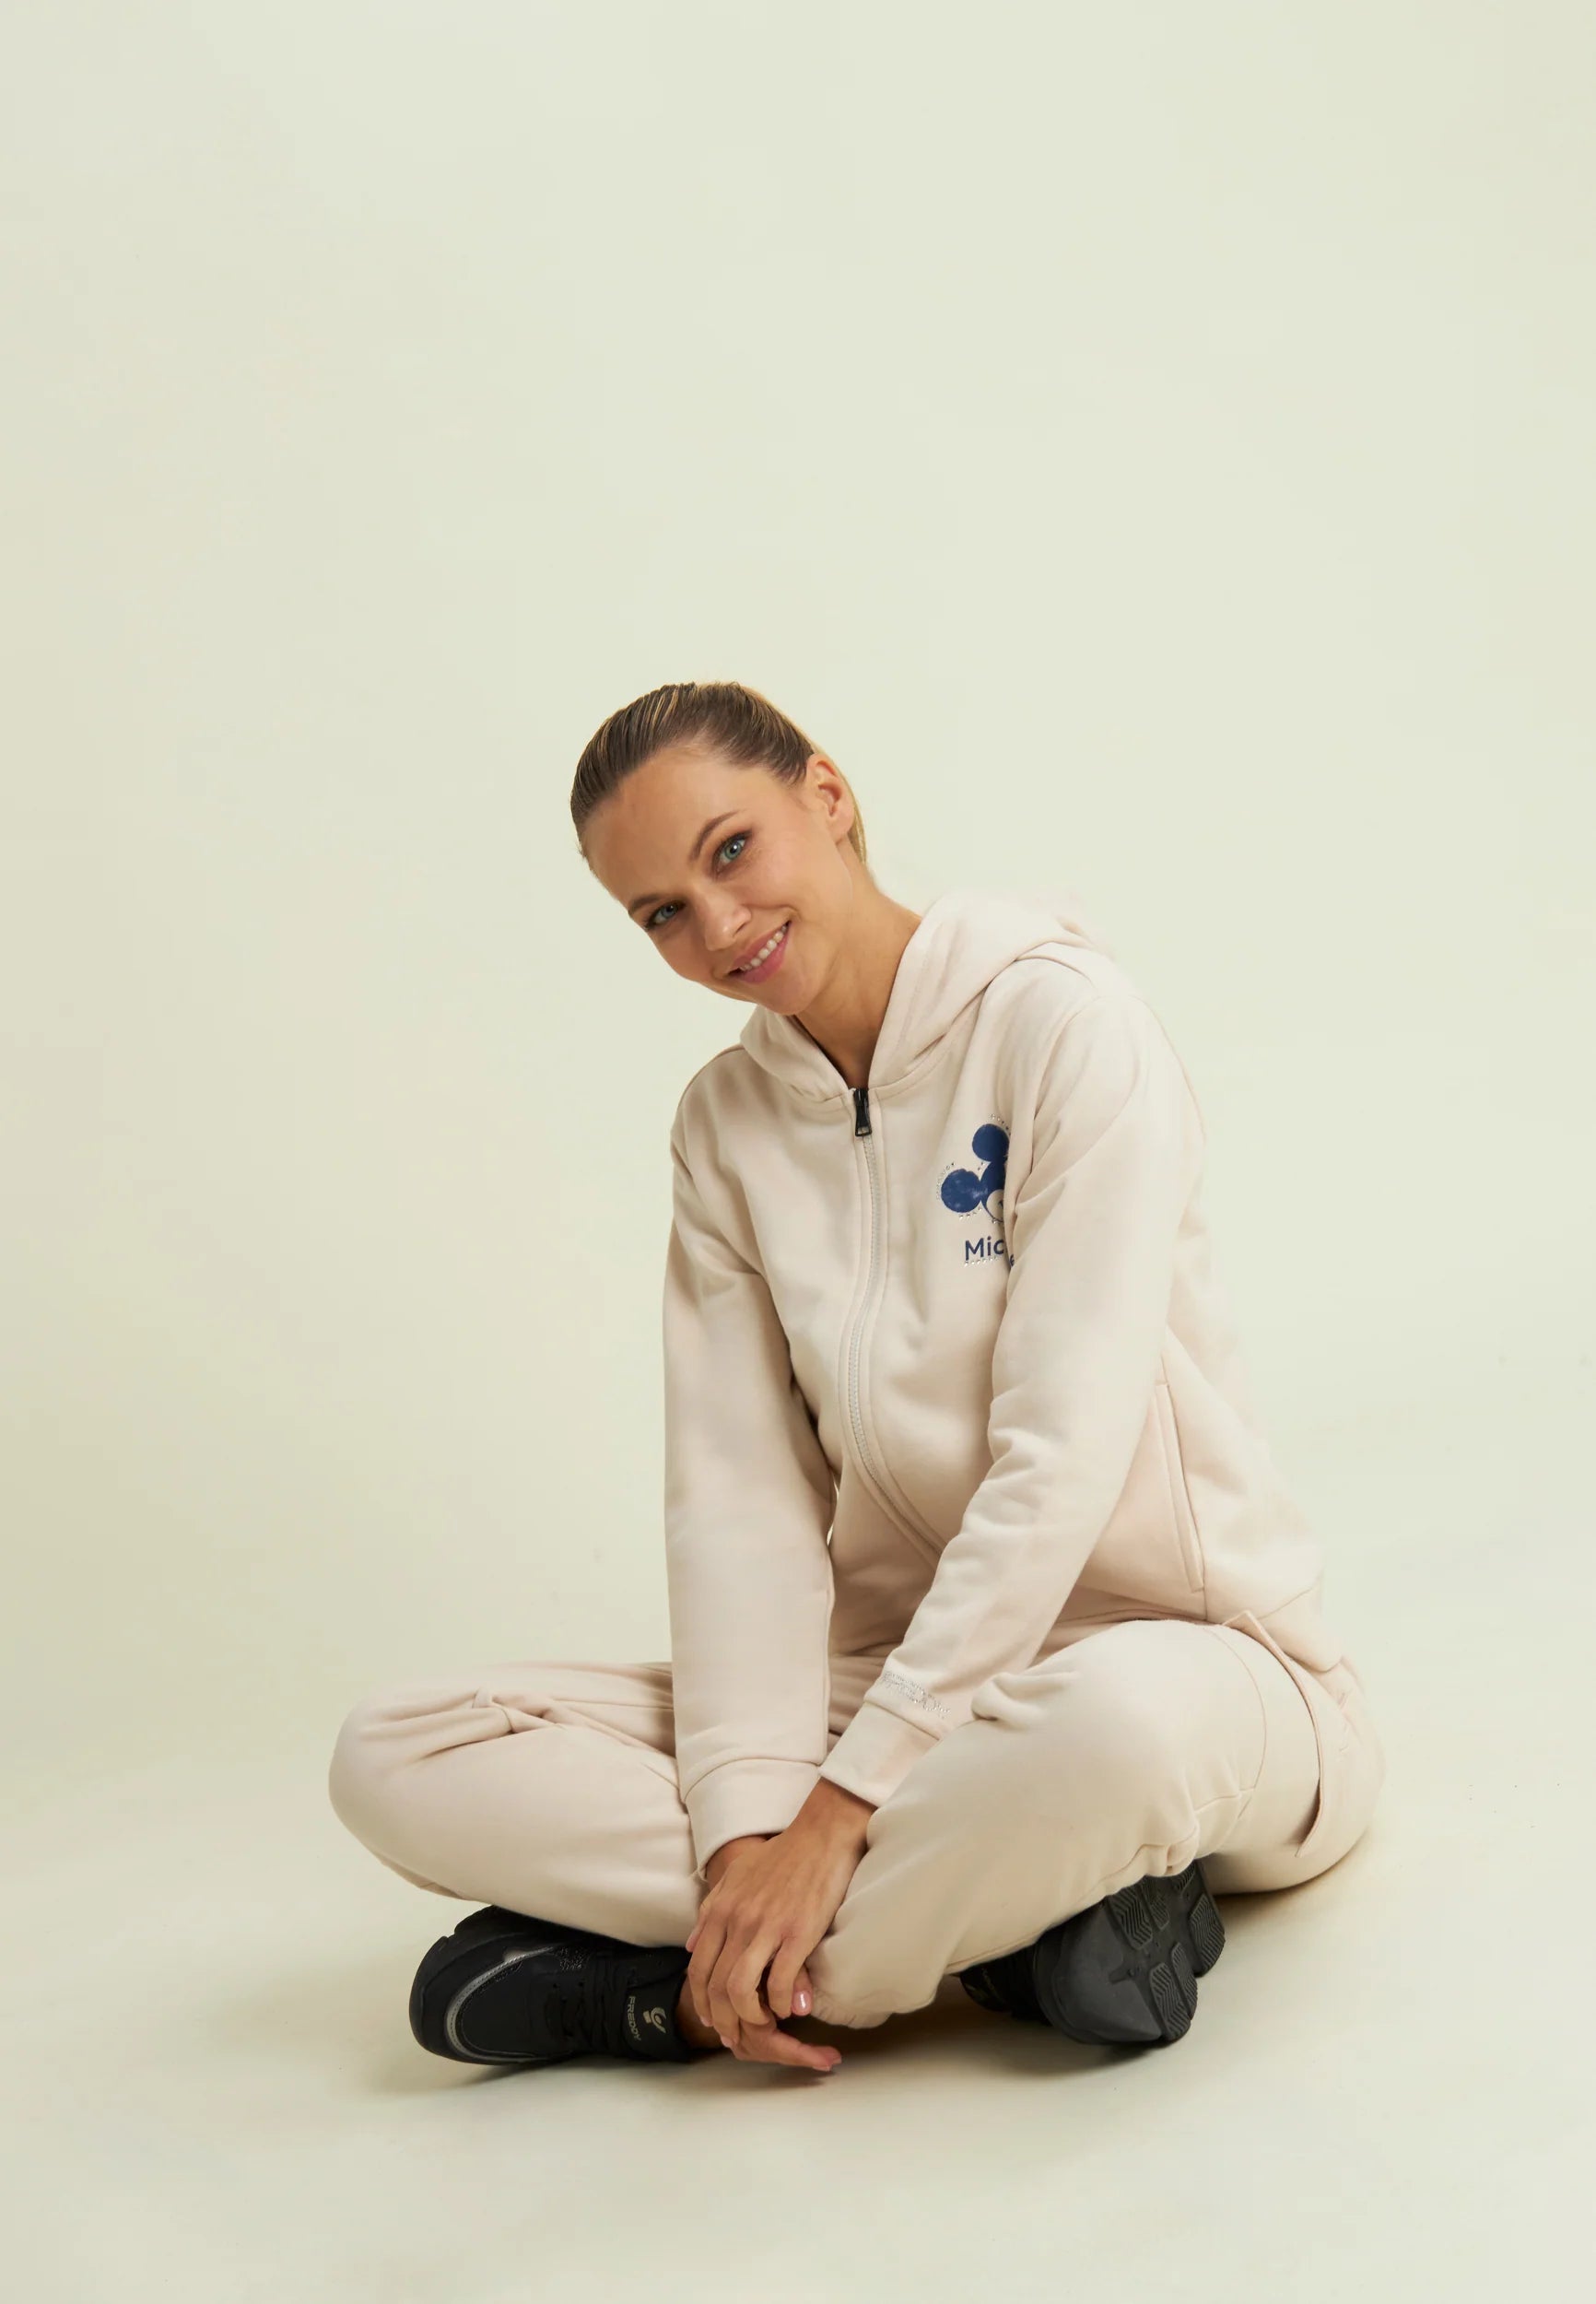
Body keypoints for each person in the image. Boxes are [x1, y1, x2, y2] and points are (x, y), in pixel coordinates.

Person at [327, 679, 1387, 2077]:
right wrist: (752, 1825)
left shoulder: (1062, 1024)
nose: (719, 928)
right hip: (890, 1685)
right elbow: (741, 1510)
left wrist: (841, 1814)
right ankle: (1013, 1934)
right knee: (399, 1751)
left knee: (1114, 1733)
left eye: (731, 851)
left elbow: (1062, 1458)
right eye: (661, 913)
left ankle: (677, 2000)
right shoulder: (725, 1128)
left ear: (826, 797)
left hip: (1194, 1670)